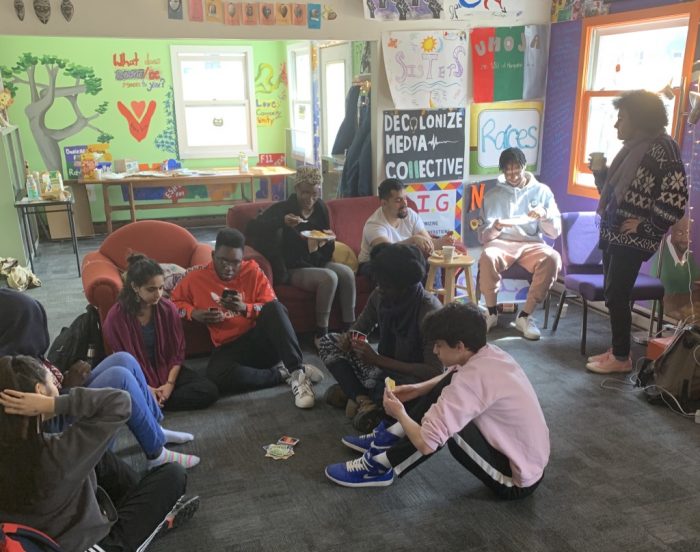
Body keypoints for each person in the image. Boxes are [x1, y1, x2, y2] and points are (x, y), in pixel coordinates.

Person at [324, 302, 550, 498]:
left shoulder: (469, 383)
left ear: (459, 346)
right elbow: (450, 376)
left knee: (444, 428)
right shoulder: (489, 353)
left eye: (439, 345)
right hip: (528, 458)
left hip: (515, 479)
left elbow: (426, 443)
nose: (434, 350)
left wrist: (400, 414)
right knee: (448, 391)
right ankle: (389, 438)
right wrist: (415, 389)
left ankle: (379, 467)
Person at [0, 355, 199, 552]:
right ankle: (151, 522)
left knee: (100, 458)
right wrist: (53, 404)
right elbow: (120, 402)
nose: (58, 389)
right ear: (39, 392)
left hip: (41, 537)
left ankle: (147, 510)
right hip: (90, 544)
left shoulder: (27, 452)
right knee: (174, 474)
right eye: (52, 383)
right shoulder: (58, 452)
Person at [0, 288, 200, 469]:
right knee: (120, 377)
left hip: (62, 398)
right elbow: (42, 422)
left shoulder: (20, 351)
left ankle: (155, 429)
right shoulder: (10, 375)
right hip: (59, 429)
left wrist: (67, 381)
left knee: (124, 359)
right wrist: (68, 388)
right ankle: (156, 453)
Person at [588, 90, 688, 374]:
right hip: (613, 234)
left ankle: (621, 358)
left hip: (631, 239)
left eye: (622, 118)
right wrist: (600, 174)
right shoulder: (633, 148)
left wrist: (647, 226)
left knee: (617, 294)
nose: (617, 125)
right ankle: (617, 350)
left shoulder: (663, 148)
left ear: (639, 119)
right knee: (613, 294)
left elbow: (676, 198)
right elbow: (619, 196)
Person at [170, 228, 324, 409]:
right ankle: (283, 374)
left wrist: (245, 308)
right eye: (223, 261)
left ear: (242, 259)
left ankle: (297, 373)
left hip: (261, 340)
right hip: (228, 347)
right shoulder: (196, 278)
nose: (229, 267)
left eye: (235, 262)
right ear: (213, 255)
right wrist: (192, 313)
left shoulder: (252, 271)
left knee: (275, 307)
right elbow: (173, 304)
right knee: (215, 377)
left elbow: (272, 306)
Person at [318, 243, 443, 432]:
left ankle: (355, 393)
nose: (380, 289)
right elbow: (360, 328)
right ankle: (363, 400)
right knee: (329, 341)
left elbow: (434, 372)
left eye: (386, 285)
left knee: (406, 396)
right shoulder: (380, 296)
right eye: (379, 283)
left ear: (404, 286)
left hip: (410, 380)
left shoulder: (429, 311)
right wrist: (350, 339)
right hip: (380, 370)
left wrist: (378, 360)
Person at [250, 167, 356, 346]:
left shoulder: (321, 207)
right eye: (305, 192)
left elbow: (325, 242)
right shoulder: (284, 209)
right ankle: (321, 333)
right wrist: (281, 222)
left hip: (318, 260)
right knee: (329, 278)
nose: (310, 199)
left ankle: (349, 329)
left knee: (346, 273)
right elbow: (254, 228)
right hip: (294, 266)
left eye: (314, 193)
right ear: (296, 189)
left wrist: (329, 239)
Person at [104, 253, 219, 411]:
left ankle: (156, 402)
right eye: (151, 289)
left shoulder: (167, 308)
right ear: (135, 287)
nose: (158, 294)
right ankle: (151, 399)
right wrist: (147, 388)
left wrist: (170, 385)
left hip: (166, 368)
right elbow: (122, 362)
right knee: (118, 396)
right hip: (135, 377)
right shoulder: (116, 318)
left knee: (209, 390)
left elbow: (177, 353)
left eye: (160, 288)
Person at [478, 147, 562, 341]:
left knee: (552, 258)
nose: (512, 174)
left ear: (524, 166)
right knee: (488, 256)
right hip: (501, 243)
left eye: (516, 169)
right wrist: (496, 227)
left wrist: (544, 216)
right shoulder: (492, 195)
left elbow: (554, 232)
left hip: (531, 243)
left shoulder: (542, 192)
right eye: (507, 170)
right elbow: (484, 237)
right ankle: (491, 313)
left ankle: (525, 316)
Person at [357, 178, 455, 277]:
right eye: (398, 200)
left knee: (431, 261)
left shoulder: (410, 215)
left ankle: (432, 292)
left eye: (405, 198)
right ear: (384, 203)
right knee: (398, 268)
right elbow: (386, 252)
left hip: (402, 259)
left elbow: (428, 244)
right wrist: (413, 240)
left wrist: (442, 242)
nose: (404, 204)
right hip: (373, 263)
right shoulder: (374, 224)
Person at [653, 214, 700, 321]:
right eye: (680, 233)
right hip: (663, 315)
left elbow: (696, 276)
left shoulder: (687, 254)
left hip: (684, 310)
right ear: (672, 232)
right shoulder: (662, 254)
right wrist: (694, 296)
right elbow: (665, 299)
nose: (685, 238)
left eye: (688, 233)